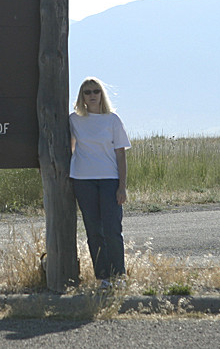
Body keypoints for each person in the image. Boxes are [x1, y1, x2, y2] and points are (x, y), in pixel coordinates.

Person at [69, 77, 131, 287]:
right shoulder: (74, 120)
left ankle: (118, 275)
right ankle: (103, 277)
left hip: (109, 180)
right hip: (83, 180)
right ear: (82, 97)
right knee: (94, 230)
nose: (92, 95)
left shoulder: (112, 120)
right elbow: (68, 148)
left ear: (101, 94)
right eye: (87, 92)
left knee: (112, 229)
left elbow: (121, 154)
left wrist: (122, 186)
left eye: (96, 91)